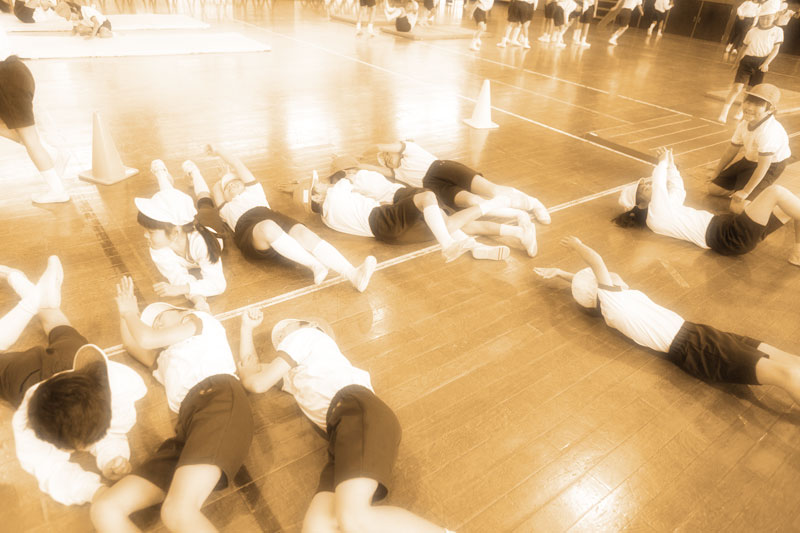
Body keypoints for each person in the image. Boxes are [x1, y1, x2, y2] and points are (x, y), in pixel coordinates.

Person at [235, 310, 456, 533]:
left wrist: (248, 375)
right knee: (317, 527)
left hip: (358, 414)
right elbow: (252, 370)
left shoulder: (308, 336)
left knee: (354, 518)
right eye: (278, 338)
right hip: (343, 434)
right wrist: (246, 328)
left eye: (284, 330)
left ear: (309, 325)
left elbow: (257, 383)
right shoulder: (298, 373)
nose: (280, 337)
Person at [536, 236, 800, 405]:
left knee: (780, 358)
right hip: (695, 346)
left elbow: (590, 286)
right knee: (785, 373)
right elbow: (596, 262)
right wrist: (577, 245)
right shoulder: (612, 300)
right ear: (600, 288)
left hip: (694, 336)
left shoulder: (611, 306)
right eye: (607, 277)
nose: (614, 275)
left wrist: (561, 273)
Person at [91, 276, 254, 533]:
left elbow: (145, 339)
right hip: (188, 429)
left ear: (181, 313)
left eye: (160, 318)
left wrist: (132, 313)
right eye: (152, 323)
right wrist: (124, 314)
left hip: (220, 402)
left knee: (178, 511)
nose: (155, 325)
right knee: (105, 508)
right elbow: (134, 344)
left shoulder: (199, 322)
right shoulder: (165, 359)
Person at [1, 257, 147, 506]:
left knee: (56, 322)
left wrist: (110, 458)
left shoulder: (105, 381)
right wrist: (95, 488)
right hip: (40, 372)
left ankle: (32, 295)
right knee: (56, 322)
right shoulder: (29, 428)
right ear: (71, 448)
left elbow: (53, 466)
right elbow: (52, 471)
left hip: (75, 365)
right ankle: (30, 296)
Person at [196, 145, 377, 292]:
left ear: (245, 184)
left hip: (273, 218)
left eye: (236, 182)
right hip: (250, 231)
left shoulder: (255, 192)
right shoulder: (226, 208)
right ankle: (315, 265)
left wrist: (219, 151)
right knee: (267, 226)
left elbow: (237, 163)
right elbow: (216, 190)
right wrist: (221, 178)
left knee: (302, 232)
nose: (231, 185)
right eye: (227, 187)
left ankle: (353, 274)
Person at [302, 163, 538, 260]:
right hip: (394, 205)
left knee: (455, 224)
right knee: (435, 207)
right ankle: (495, 209)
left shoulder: (327, 217)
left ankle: (511, 234)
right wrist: (339, 176)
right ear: (316, 195)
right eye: (318, 185)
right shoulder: (338, 191)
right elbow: (343, 177)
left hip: (386, 222)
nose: (323, 183)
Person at [614, 147, 800, 265]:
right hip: (729, 235)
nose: (648, 185)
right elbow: (659, 184)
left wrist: (670, 165)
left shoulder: (667, 209)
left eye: (645, 184)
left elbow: (677, 187)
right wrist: (661, 164)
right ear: (641, 205)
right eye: (643, 189)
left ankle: (798, 254)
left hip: (731, 230)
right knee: (775, 192)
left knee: (790, 205)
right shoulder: (655, 218)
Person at [371, 140, 551, 224]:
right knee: (473, 202)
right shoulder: (398, 173)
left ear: (396, 151)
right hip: (435, 188)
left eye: (387, 154)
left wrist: (373, 149)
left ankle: (533, 203)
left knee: (492, 190)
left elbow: (382, 146)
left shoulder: (412, 150)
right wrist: (360, 164)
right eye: (384, 160)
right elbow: (373, 168)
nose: (387, 158)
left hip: (443, 168)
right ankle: (518, 214)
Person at [134, 160, 226, 313]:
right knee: (170, 202)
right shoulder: (158, 245)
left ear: (175, 232)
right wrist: (199, 300)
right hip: (183, 226)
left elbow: (218, 284)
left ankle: (194, 173)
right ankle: (161, 174)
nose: (145, 236)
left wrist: (180, 289)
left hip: (208, 225)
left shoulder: (201, 243)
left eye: (151, 232)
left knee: (204, 202)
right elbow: (178, 277)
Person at [0, 27, 70, 204]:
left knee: (29, 138)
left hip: (6, 77)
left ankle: (57, 190)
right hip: (13, 71)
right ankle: (50, 152)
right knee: (12, 130)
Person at [709, 84, 789, 208]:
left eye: (758, 105)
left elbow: (763, 166)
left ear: (771, 109)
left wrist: (746, 192)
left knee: (739, 208)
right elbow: (731, 150)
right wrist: (716, 172)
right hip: (750, 160)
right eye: (748, 102)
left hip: (771, 166)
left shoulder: (768, 131)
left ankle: (763, 194)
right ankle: (745, 189)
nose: (750, 108)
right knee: (713, 189)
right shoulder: (744, 123)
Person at [717, 4, 782, 123]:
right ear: (759, 18)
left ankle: (740, 111)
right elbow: (743, 48)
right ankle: (723, 113)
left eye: (768, 18)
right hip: (747, 61)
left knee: (751, 91)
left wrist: (766, 63)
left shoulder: (778, 31)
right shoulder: (752, 31)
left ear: (775, 16)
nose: (765, 21)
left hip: (761, 63)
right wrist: (736, 62)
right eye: (762, 18)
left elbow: (775, 49)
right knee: (737, 88)